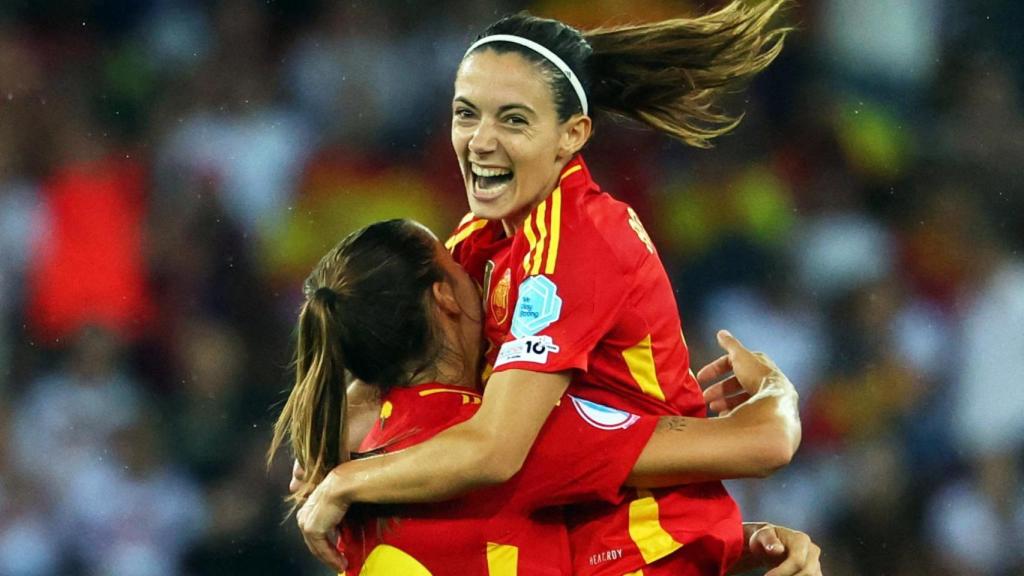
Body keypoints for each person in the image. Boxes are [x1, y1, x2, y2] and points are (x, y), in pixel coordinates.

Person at [296, 3, 806, 575]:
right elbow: (395, 333)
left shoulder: (579, 243)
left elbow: (497, 448)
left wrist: (343, 471)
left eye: (513, 120)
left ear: (573, 135)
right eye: (467, 114)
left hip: (647, 551)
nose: (480, 141)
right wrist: (330, 439)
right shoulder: (481, 240)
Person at [271, 219, 818, 575]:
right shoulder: (513, 436)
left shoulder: (352, 452)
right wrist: (775, 384)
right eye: (459, 267)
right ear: (444, 297)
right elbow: (764, 442)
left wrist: (751, 544)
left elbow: (574, 544)